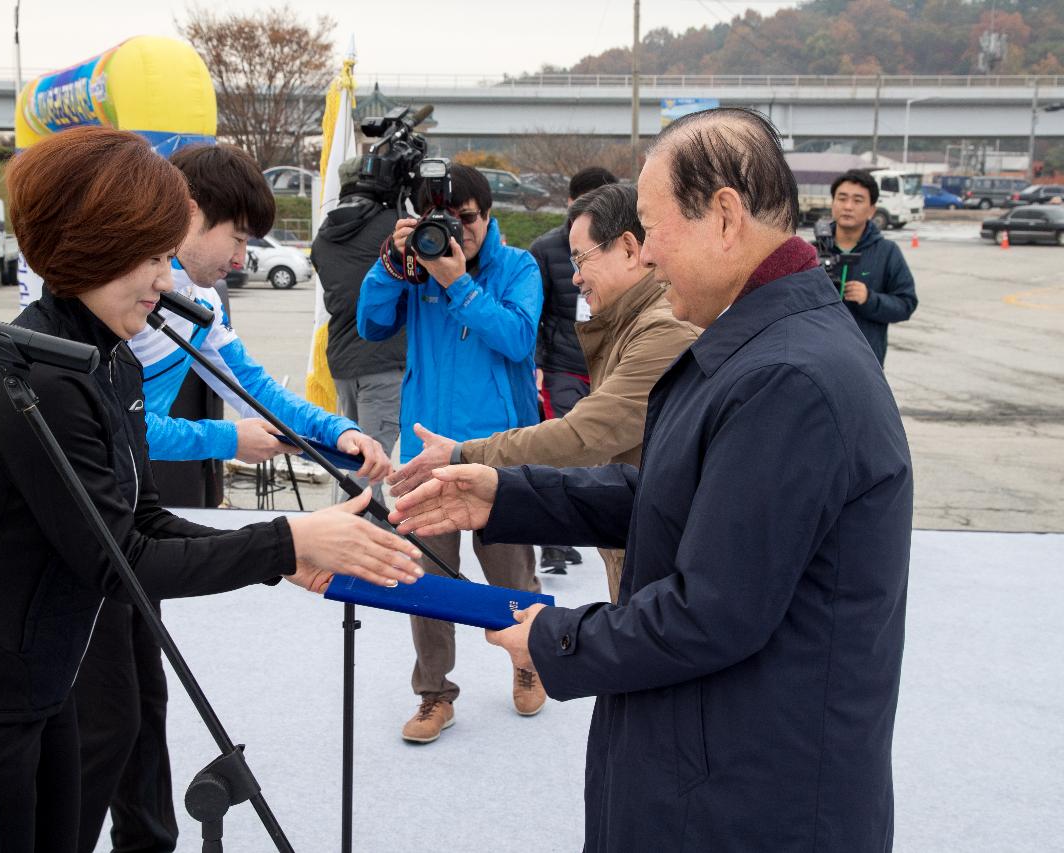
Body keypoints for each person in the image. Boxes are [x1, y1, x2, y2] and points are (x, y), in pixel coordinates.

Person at [0, 127, 423, 853]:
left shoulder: (108, 359)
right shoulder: (34, 381)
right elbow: (119, 559)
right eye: (156, 257)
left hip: (38, 685)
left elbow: (146, 517)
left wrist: (284, 552)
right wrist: (285, 540)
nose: (168, 281)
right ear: (98, 243)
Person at [391, 108, 913, 850]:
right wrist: (504, 494)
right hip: (716, 761)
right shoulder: (762, 346)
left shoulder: (788, 379)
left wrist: (555, 635)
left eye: (653, 225)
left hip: (752, 797)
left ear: (724, 217)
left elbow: (712, 610)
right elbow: (675, 499)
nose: (649, 253)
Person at [75, 142, 392, 853]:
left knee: (143, 701)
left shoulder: (195, 304)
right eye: (239, 236)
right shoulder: (107, 297)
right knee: (102, 720)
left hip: (131, 504)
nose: (245, 256)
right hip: (84, 528)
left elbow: (253, 387)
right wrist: (223, 442)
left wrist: (335, 430)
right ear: (189, 215)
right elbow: (106, 426)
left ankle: (147, 839)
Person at [387, 183, 697, 602]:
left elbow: (582, 435)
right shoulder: (630, 324)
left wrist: (465, 454)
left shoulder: (661, 329)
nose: (575, 276)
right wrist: (390, 261)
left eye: (582, 258)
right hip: (633, 541)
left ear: (628, 247)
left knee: (518, 601)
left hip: (659, 556)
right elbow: (369, 322)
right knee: (430, 596)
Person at [358, 164, 544, 743]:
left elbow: (517, 336)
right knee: (424, 581)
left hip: (497, 453)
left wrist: (458, 283)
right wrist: (392, 264)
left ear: (488, 217)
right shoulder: (416, 270)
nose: (456, 231)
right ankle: (434, 695)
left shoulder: (518, 267)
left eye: (467, 218)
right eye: (444, 219)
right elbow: (368, 324)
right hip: (424, 456)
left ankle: (529, 661)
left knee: (511, 575)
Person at [528, 166, 619, 573]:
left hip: (609, 366)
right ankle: (550, 541)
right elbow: (536, 313)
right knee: (561, 447)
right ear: (571, 203)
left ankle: (571, 530)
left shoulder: (622, 248)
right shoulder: (546, 249)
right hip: (563, 365)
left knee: (596, 455)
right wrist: (537, 365)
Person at [311, 156, 407, 504]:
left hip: (342, 360)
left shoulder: (325, 233)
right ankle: (358, 544)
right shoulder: (393, 226)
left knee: (353, 455)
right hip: (383, 358)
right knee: (371, 465)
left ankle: (351, 539)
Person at [824, 168, 918, 364]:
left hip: (865, 364)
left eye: (858, 200)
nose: (848, 206)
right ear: (833, 203)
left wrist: (870, 299)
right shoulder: (813, 250)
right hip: (816, 362)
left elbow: (906, 304)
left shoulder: (887, 252)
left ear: (872, 209)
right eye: (842, 198)